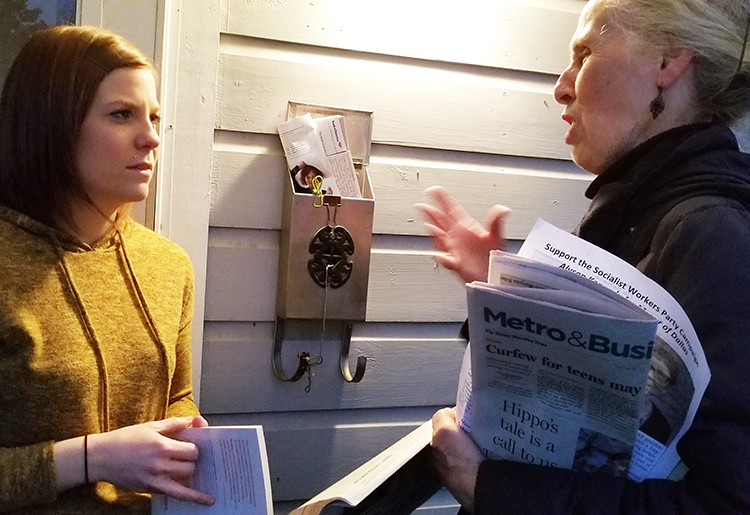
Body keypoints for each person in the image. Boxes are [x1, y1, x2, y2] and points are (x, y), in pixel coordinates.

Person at [417, 0, 750, 513]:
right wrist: (498, 292)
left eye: (585, 52)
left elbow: (727, 502)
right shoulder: (633, 210)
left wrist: (487, 488)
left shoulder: (712, 232)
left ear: (667, 64)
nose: (561, 87)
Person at [0, 26, 215, 513]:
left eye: (155, 117)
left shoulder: (167, 265)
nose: (151, 138)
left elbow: (176, 396)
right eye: (122, 115)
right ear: (51, 124)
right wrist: (90, 459)